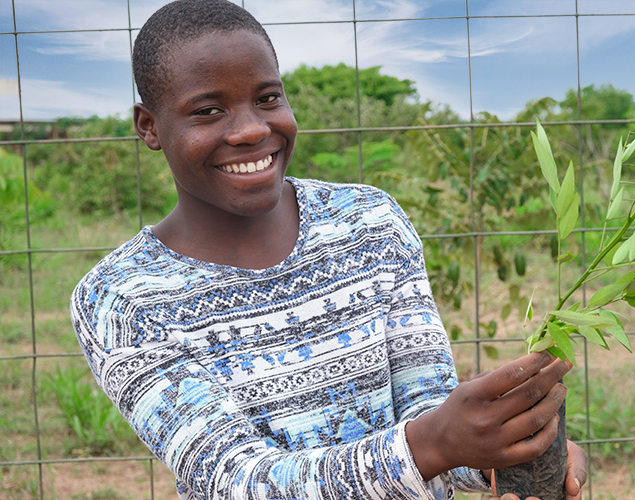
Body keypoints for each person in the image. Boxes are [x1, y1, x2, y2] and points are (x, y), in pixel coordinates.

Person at [70, 1, 587, 499]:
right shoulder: (120, 299)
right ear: (150, 126)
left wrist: (512, 452)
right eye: (208, 110)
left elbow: (425, 410)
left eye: (268, 98)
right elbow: (236, 479)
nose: (252, 128)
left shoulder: (368, 222)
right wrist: (435, 443)